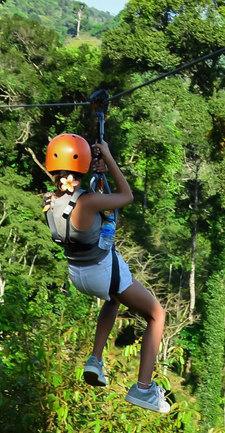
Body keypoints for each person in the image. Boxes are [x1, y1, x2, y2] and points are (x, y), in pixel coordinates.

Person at [43, 133, 170, 413]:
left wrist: (97, 174)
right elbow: (126, 197)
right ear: (83, 165)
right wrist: (109, 159)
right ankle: (144, 389)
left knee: (113, 300)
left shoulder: (49, 201)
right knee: (157, 315)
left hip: (78, 274)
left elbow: (84, 205)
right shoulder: (88, 202)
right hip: (103, 271)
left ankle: (95, 360)